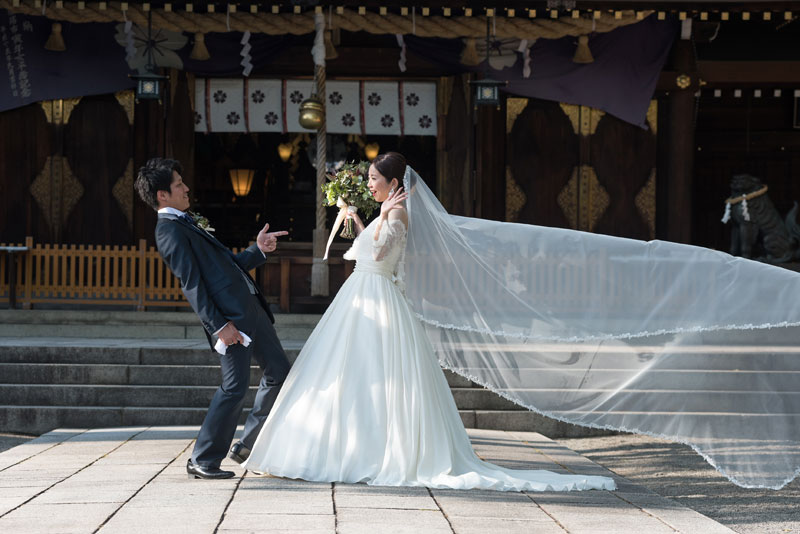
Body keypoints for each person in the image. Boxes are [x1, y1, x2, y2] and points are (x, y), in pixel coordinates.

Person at [242, 152, 615, 491]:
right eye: (369, 178)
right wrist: (358, 218)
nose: (369, 184)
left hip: (376, 294)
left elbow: (381, 252)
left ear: (393, 183)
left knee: (372, 368)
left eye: (374, 179)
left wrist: (385, 215)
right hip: (362, 292)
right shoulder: (387, 209)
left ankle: (374, 452)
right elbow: (369, 248)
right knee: (349, 371)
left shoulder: (399, 212)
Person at [134, 158, 290, 480]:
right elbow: (191, 284)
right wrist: (219, 326)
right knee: (234, 387)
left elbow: (229, 266)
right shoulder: (169, 231)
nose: (186, 188)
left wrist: (257, 250)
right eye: (178, 184)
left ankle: (247, 444)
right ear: (162, 195)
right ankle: (203, 458)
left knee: (279, 372)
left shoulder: (187, 222)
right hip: (231, 321)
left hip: (251, 310)